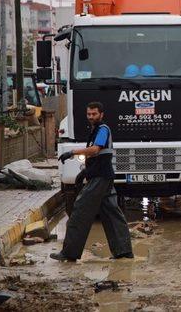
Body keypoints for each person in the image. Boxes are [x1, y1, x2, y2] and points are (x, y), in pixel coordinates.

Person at [50, 102, 133, 261]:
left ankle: (69, 253)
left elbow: (95, 150)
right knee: (111, 214)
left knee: (80, 210)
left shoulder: (103, 129)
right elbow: (97, 157)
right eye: (89, 114)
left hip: (101, 179)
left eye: (94, 114)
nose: (91, 117)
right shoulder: (95, 131)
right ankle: (123, 252)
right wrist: (85, 172)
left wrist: (72, 152)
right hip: (102, 176)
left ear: (101, 114)